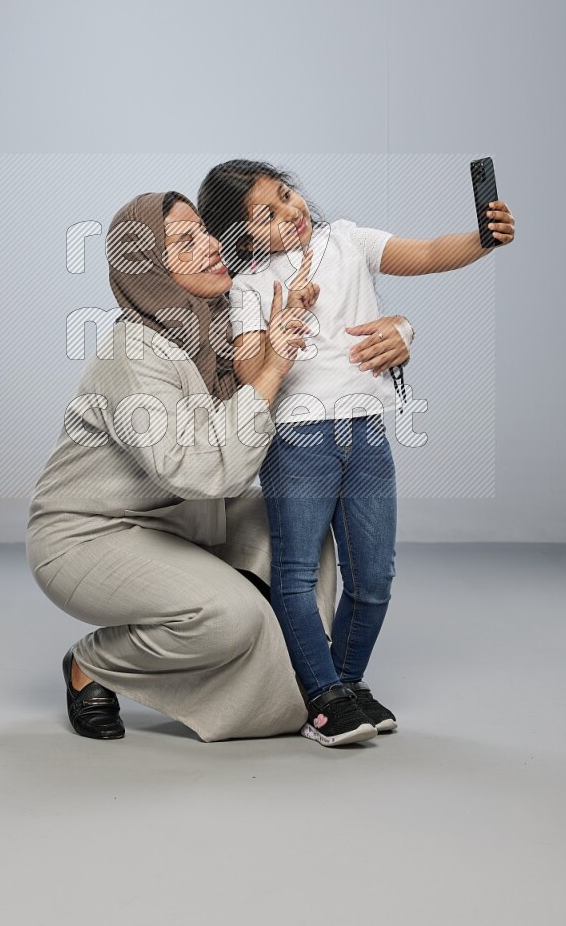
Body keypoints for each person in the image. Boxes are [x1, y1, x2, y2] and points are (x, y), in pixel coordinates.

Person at [198, 159, 515, 747]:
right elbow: (247, 370)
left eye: (286, 195)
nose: (289, 212)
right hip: (298, 439)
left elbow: (426, 253)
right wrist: (285, 319)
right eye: (265, 214)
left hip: (366, 432)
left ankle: (345, 683)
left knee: (374, 577)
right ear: (240, 236)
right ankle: (324, 698)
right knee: (295, 573)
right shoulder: (248, 286)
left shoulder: (347, 240)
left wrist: (482, 240)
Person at [26, 190, 336, 743]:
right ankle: (93, 664)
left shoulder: (219, 332)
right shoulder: (132, 353)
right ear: (148, 267)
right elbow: (196, 471)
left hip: (184, 519)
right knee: (230, 616)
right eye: (184, 241)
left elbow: (315, 380)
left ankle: (313, 681)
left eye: (205, 231)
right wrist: (271, 370)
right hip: (87, 536)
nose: (211, 245)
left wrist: (396, 335)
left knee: (303, 527)